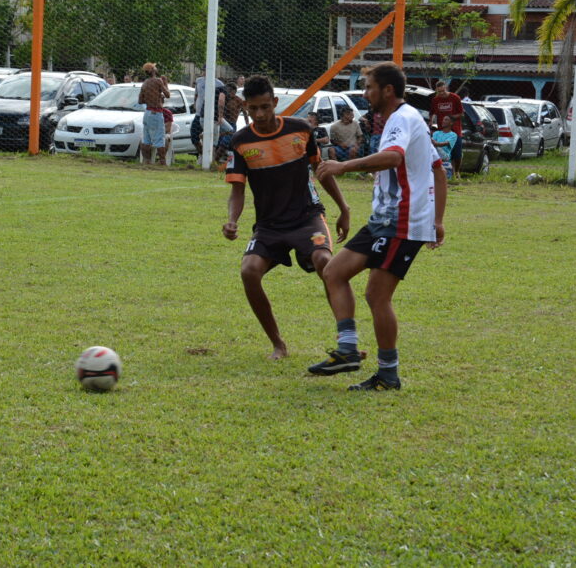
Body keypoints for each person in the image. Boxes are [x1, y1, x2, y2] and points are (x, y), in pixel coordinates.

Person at [311, 62, 447, 391]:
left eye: (369, 87)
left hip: (402, 221)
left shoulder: (402, 118)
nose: (365, 92)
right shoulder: (402, 119)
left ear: (387, 90)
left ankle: (388, 374)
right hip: (384, 219)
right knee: (333, 272)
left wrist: (344, 166)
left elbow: (394, 158)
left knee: (376, 295)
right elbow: (438, 168)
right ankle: (347, 350)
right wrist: (438, 219)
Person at [223, 75, 351, 360]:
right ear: (245, 106)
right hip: (269, 225)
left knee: (325, 262)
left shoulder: (301, 129)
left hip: (308, 218)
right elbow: (237, 190)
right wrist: (232, 220)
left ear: (275, 102)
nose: (260, 114)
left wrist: (344, 208)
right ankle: (278, 344)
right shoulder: (241, 141)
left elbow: (322, 171)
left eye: (265, 107)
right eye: (253, 108)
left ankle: (347, 342)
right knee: (249, 271)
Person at [429, 80, 464, 176]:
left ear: (446, 88)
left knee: (457, 153)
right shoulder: (435, 100)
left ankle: (456, 172)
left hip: (455, 130)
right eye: (439, 91)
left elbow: (461, 114)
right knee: (442, 153)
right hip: (441, 130)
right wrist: (431, 123)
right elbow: (432, 113)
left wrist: (451, 118)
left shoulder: (455, 98)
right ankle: (444, 172)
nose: (441, 93)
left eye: (443, 91)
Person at [138, 62, 170, 165]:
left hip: (147, 112)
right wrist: (165, 83)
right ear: (153, 70)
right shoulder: (158, 81)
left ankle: (146, 161)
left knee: (146, 139)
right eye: (155, 67)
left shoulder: (145, 83)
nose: (156, 68)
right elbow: (168, 95)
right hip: (156, 113)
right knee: (160, 139)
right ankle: (162, 162)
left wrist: (152, 98)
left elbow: (140, 100)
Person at [191, 68, 226, 159]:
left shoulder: (219, 84)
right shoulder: (199, 81)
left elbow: (222, 100)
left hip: (212, 115)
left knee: (211, 137)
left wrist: (220, 115)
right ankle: (203, 155)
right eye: (204, 70)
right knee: (194, 136)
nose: (205, 72)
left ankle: (210, 158)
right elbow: (196, 94)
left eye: (207, 70)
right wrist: (195, 103)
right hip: (199, 114)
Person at [432, 114, 457, 179]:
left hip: (445, 157)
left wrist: (434, 143)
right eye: (443, 119)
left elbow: (444, 143)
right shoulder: (436, 133)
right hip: (435, 154)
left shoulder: (453, 135)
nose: (443, 121)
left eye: (446, 120)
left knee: (435, 147)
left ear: (451, 123)